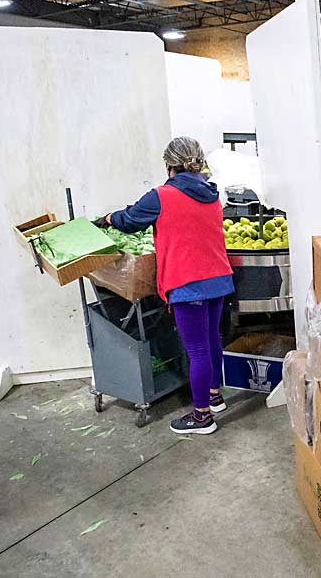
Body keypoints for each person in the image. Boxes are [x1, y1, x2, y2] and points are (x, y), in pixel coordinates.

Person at [101, 137, 233, 435]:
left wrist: (107, 218)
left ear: (168, 164)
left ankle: (202, 418)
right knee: (212, 339)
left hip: (188, 282)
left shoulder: (162, 195)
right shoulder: (211, 194)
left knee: (197, 350)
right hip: (218, 279)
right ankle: (214, 397)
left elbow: (130, 220)